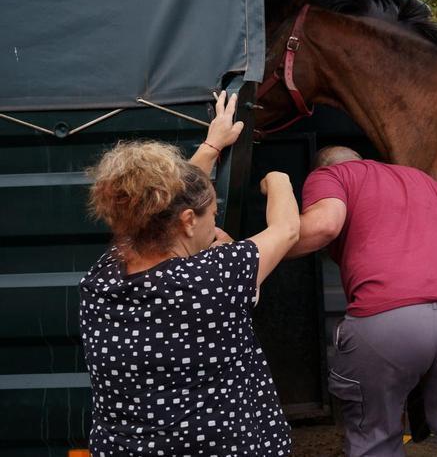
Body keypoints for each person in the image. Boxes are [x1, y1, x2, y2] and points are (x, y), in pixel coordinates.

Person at [80, 91, 300, 456]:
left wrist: (213, 145)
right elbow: (287, 229)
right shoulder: (215, 275)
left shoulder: (101, 278)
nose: (214, 222)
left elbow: (161, 203)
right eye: (212, 214)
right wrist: (278, 178)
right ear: (185, 222)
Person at [292, 146, 437, 457]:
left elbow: (323, 226)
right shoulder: (427, 182)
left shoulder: (330, 175)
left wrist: (251, 253)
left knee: (375, 440)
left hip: (386, 318)